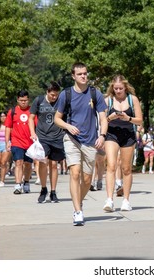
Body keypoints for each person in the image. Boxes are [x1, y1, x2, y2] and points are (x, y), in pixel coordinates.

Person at [54, 62, 108, 226]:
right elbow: (57, 118)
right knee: (75, 173)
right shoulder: (66, 94)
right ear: (73, 76)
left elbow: (104, 118)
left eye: (85, 73)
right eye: (80, 74)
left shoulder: (95, 94)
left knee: (86, 180)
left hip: (90, 141)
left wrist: (103, 136)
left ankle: (79, 201)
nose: (84, 76)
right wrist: (68, 126)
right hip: (71, 139)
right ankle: (77, 211)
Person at [103, 75, 143, 212]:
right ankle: (109, 200)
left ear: (125, 87)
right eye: (115, 88)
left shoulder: (133, 100)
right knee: (111, 166)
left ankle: (126, 200)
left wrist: (128, 118)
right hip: (111, 134)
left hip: (128, 135)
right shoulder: (107, 100)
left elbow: (139, 120)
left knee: (126, 168)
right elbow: (102, 121)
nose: (118, 91)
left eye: (120, 88)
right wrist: (110, 117)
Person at [29, 81, 65, 203]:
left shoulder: (61, 102)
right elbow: (31, 118)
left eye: (56, 95)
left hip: (57, 136)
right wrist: (32, 133)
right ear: (47, 92)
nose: (54, 97)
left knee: (54, 165)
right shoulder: (39, 100)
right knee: (43, 162)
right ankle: (43, 189)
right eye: (52, 95)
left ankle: (53, 191)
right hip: (42, 136)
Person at [5, 90, 34, 195]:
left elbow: (37, 126)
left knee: (28, 164)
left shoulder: (32, 111)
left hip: (30, 143)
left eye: (25, 100)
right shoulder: (12, 111)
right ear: (17, 100)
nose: (23, 102)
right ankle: (18, 184)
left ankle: (26, 182)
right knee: (18, 162)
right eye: (21, 100)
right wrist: (7, 141)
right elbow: (8, 127)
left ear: (28, 100)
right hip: (17, 142)